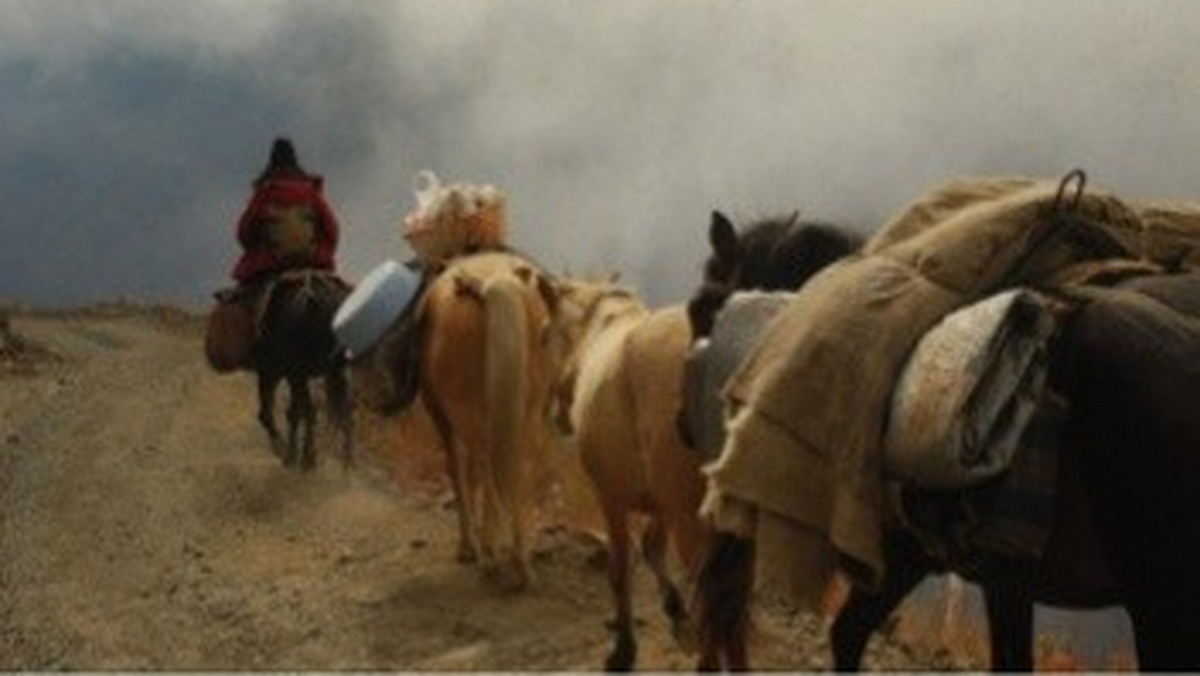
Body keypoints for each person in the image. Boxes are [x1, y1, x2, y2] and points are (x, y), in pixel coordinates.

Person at [231, 137, 341, 286]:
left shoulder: (263, 195)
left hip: (267, 267)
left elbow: (244, 234)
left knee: (236, 306)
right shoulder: (312, 194)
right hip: (313, 263)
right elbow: (332, 231)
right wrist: (321, 252)